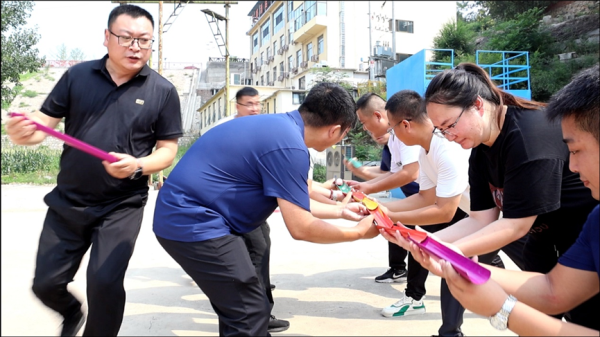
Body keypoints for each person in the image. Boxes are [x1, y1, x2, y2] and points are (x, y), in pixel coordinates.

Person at [381, 62, 599, 334]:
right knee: (540, 317)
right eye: (441, 130)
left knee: (582, 320)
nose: (448, 137)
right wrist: (425, 243)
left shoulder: (526, 139)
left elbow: (514, 225)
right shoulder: (481, 150)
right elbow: (480, 219)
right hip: (543, 240)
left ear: (478, 105)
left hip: (581, 240)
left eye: (450, 125)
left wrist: (452, 254)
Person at [5, 5, 182, 336]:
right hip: (68, 201)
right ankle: (71, 312)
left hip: (121, 204)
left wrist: (140, 165)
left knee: (104, 282)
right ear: (106, 37)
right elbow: (45, 125)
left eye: (144, 40)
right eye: (126, 38)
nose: (135, 47)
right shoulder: (78, 76)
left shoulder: (162, 91)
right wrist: (25, 132)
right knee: (45, 284)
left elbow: (167, 151)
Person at [152, 82, 379, 336]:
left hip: (192, 215)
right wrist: (357, 233)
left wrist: (341, 212)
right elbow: (301, 227)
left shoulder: (280, 128)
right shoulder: (290, 146)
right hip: (193, 220)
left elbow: (295, 199)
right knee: (249, 310)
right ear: (335, 130)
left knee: (242, 305)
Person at [378, 90, 509, 328]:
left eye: (391, 128)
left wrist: (390, 216)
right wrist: (383, 209)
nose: (391, 135)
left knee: (453, 265)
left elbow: (444, 211)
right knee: (437, 249)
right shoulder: (424, 150)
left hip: (492, 218)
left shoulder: (445, 148)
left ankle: (450, 331)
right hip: (477, 216)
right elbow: (425, 198)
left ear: (405, 125)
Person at [216, 86, 289, 333]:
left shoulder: (262, 127)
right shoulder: (226, 128)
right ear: (237, 105)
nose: (255, 108)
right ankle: (257, 317)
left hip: (254, 205)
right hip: (233, 204)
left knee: (262, 249)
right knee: (255, 253)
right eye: (249, 104)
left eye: (258, 104)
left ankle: (263, 311)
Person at [347, 93, 420, 283]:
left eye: (364, 122)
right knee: (406, 234)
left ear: (378, 116)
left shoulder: (404, 133)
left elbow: (410, 173)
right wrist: (364, 186)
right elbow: (392, 173)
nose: (364, 128)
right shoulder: (395, 138)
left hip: (436, 197)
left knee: (468, 251)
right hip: (421, 197)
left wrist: (368, 187)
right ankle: (409, 287)